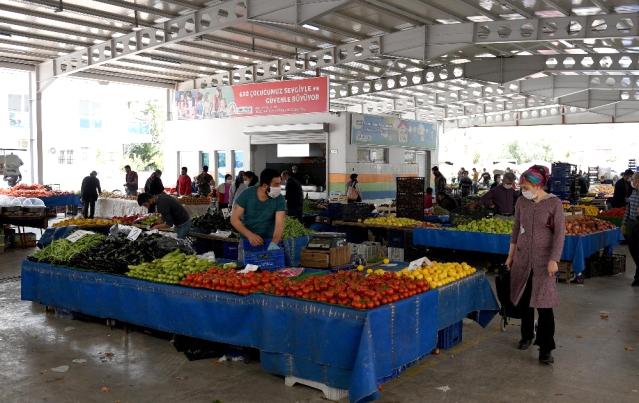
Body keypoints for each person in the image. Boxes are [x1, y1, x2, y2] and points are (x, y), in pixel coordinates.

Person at [505, 165, 565, 365]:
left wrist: (554, 259)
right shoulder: (522, 201)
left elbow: (559, 234)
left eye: (527, 186)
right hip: (522, 259)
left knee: (544, 305)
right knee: (524, 301)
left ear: (538, 185)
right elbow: (515, 229)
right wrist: (510, 255)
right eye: (523, 186)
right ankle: (526, 335)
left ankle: (546, 348)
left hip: (543, 262)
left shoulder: (554, 204)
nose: (524, 189)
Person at [231, 168, 286, 248]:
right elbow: (234, 219)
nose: (279, 187)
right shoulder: (247, 194)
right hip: (247, 240)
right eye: (276, 185)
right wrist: (250, 235)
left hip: (269, 241)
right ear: (264, 185)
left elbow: (279, 225)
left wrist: (274, 243)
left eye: (279, 184)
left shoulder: (279, 199)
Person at [623, 173, 639, 287]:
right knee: (633, 249)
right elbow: (628, 208)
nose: (631, 181)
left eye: (633, 179)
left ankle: (637, 278)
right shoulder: (633, 192)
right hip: (632, 223)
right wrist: (624, 223)